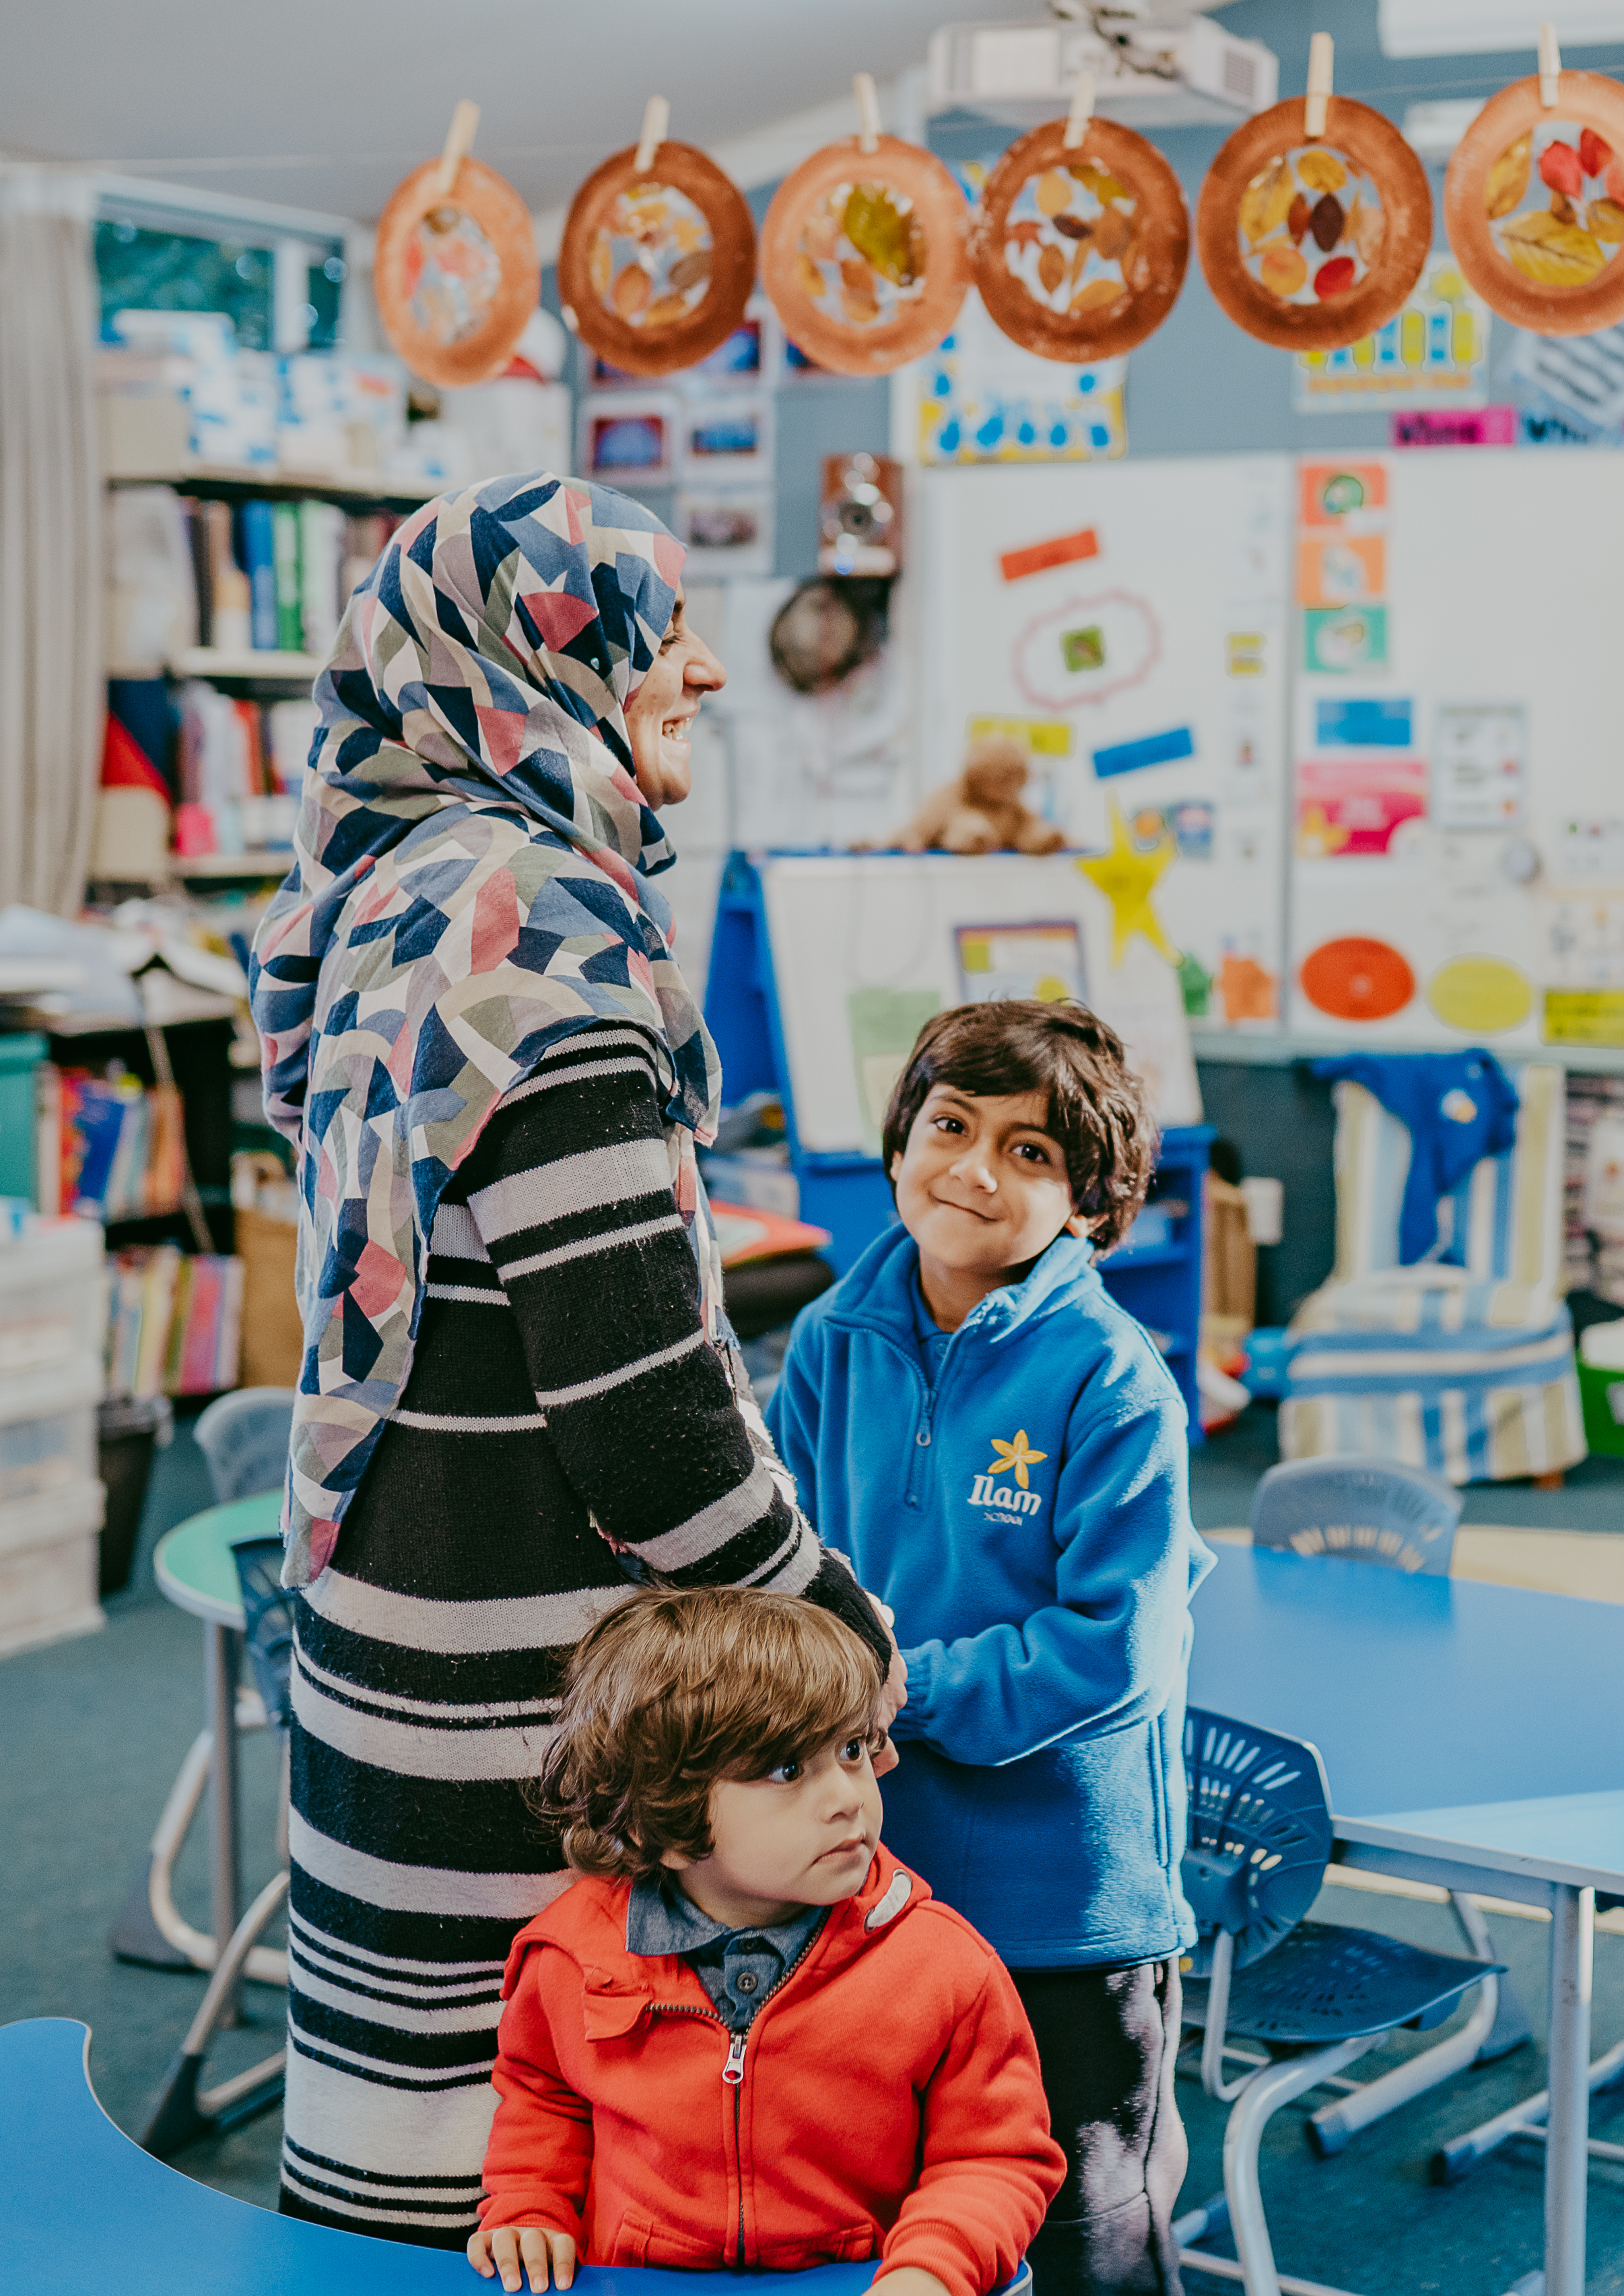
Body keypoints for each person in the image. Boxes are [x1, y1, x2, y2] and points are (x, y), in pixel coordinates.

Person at [253, 475, 889, 2243]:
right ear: (532, 661)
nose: (697, 663)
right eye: (644, 626)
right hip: (517, 1677)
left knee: (410, 2154)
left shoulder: (389, 886)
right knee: (534, 2160)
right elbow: (646, 1426)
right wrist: (838, 1623)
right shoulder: (536, 937)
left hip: (387, 1610)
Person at [770, 1000, 1214, 2296]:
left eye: (1030, 1153)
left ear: (1087, 1204)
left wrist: (888, 1690)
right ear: (900, 1140)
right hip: (869, 1876)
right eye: (951, 1126)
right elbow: (787, 1576)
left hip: (1063, 1902)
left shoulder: (1113, 1378)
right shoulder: (826, 1345)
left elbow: (1116, 1646)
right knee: (907, 2210)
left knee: (1087, 2221)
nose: (972, 1168)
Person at [473, 1588, 1063, 2294]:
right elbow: (544, 2095)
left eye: (851, 1749)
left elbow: (994, 2157)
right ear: (657, 1807)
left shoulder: (944, 1966)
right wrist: (529, 2203)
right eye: (787, 1769)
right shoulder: (571, 1952)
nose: (847, 1794)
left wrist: (930, 2270)